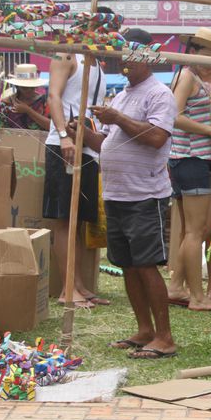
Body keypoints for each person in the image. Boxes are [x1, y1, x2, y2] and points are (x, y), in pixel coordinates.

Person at [72, 28, 178, 359]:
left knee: (146, 265)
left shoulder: (159, 94)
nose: (123, 61)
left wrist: (118, 118)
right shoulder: (121, 95)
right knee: (128, 266)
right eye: (121, 55)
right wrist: (82, 132)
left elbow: (158, 137)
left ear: (145, 56)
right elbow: (104, 144)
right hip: (117, 194)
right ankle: (145, 329)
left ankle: (164, 336)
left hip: (145, 194)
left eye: (129, 55)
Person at [164, 28, 211, 311]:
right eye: (209, 55)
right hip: (190, 158)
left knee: (196, 228)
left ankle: (177, 286)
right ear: (195, 52)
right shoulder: (188, 76)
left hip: (188, 159)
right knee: (196, 230)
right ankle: (197, 296)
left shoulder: (189, 77)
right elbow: (174, 117)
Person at [44, 45, 106, 309]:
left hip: (89, 147)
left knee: (79, 219)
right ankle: (67, 289)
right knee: (64, 218)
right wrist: (63, 135)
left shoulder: (99, 65)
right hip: (65, 145)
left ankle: (78, 284)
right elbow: (53, 97)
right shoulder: (65, 54)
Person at [0, 63, 51, 131]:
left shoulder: (45, 102)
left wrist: (28, 110)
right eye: (25, 87)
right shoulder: (5, 103)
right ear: (17, 86)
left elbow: (51, 126)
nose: (29, 90)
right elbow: (0, 130)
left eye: (32, 87)